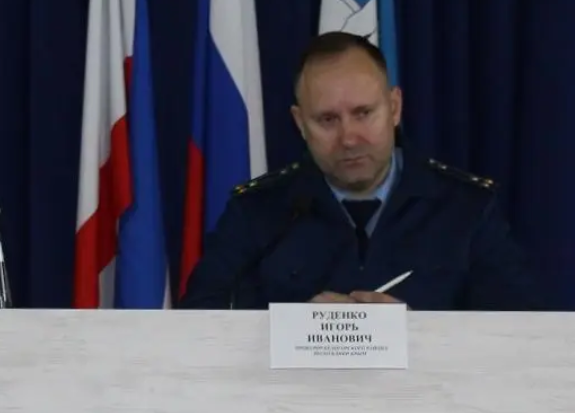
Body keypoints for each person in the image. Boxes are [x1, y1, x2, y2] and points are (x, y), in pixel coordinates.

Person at [179, 32, 539, 310]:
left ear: (394, 108)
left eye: (363, 113)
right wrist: (294, 334)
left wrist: (417, 337)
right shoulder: (256, 212)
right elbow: (198, 327)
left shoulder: (466, 208)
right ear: (300, 123)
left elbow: (522, 335)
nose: (349, 138)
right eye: (327, 120)